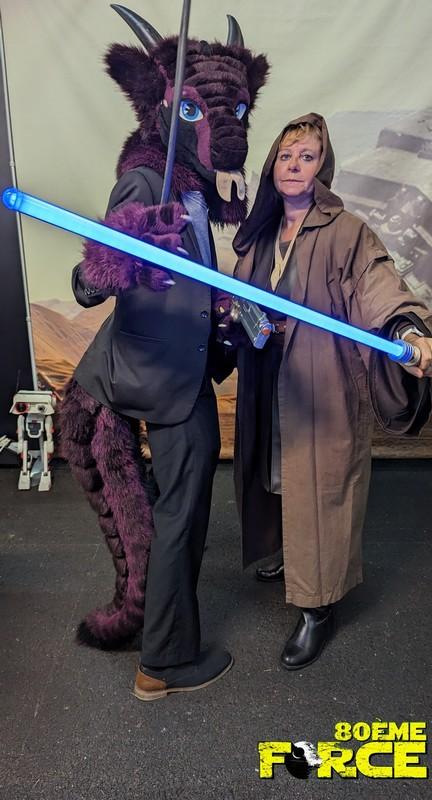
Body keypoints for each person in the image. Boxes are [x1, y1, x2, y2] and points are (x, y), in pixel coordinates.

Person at [59, 7, 269, 700]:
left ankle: (153, 628)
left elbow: (187, 283)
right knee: (181, 513)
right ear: (164, 112)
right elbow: (89, 283)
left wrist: (226, 311)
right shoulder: (148, 186)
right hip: (154, 379)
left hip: (170, 368)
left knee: (177, 508)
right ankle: (165, 662)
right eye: (196, 111)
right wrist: (123, 247)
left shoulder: (194, 189)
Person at [228, 113, 432, 670]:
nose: (294, 165)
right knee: (276, 472)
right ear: (272, 166)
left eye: (307, 156)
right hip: (269, 380)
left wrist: (408, 334)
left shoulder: (347, 232)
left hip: (321, 382)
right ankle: (294, 555)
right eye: (286, 155)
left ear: (322, 168)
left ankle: (317, 606)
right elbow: (242, 298)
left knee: (321, 486)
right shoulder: (261, 235)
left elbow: (380, 286)